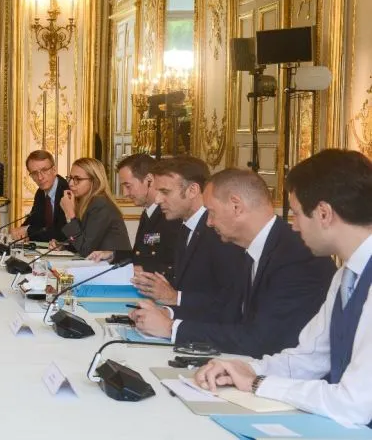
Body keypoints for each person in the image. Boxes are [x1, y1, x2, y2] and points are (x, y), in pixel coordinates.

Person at [196, 150, 372, 427]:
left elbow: (353, 404)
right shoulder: (344, 276)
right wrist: (246, 368)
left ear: (324, 214)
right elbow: (308, 359)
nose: (293, 224)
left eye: (298, 213)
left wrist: (258, 383)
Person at [131, 168, 335, 357]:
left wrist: (171, 328)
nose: (209, 222)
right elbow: (227, 309)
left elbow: (263, 339)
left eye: (211, 212)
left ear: (236, 206)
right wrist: (168, 313)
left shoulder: (297, 255)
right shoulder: (254, 247)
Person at [131, 156, 244, 323]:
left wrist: (175, 298)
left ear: (192, 190)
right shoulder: (185, 227)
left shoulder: (218, 231)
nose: (158, 199)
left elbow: (231, 301)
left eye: (165, 192)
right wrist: (166, 311)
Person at [104, 153, 181, 276]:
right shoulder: (148, 213)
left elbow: (173, 263)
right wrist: (114, 255)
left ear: (148, 180)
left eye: (128, 186)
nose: (125, 193)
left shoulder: (170, 215)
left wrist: (145, 270)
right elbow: (140, 255)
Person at [51, 157, 131, 258]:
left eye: (77, 179)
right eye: (70, 178)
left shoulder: (101, 204)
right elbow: (83, 241)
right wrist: (64, 246)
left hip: (115, 268)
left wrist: (70, 214)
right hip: (99, 265)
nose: (70, 183)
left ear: (94, 181)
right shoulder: (85, 202)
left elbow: (86, 250)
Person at [11, 150, 68, 242]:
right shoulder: (40, 193)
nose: (40, 177)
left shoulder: (67, 191)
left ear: (54, 170)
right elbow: (33, 221)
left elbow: (62, 233)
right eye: (34, 173)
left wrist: (27, 231)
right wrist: (19, 231)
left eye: (44, 170)